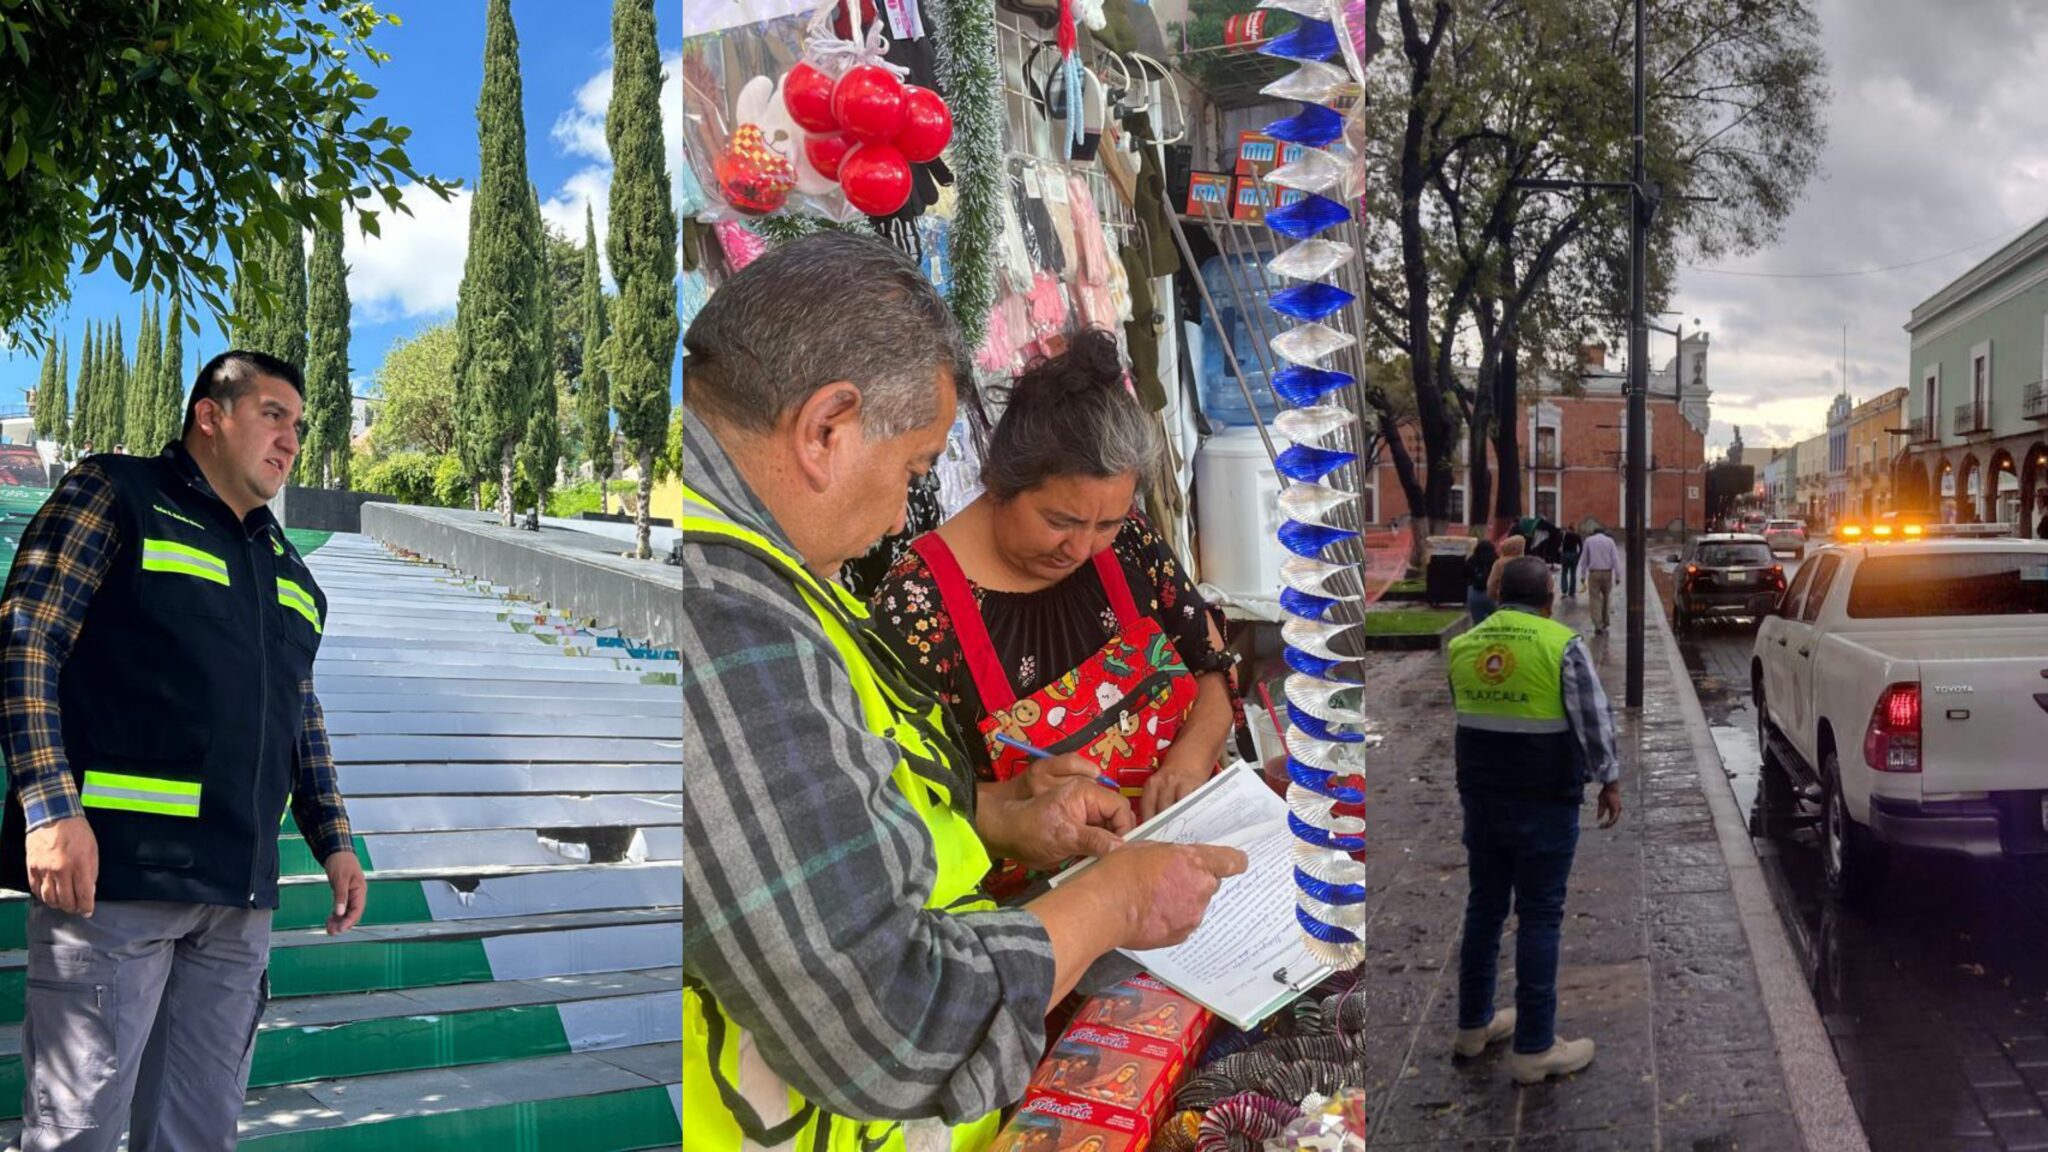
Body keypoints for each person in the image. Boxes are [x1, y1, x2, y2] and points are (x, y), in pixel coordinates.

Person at [680, 233, 1246, 1152]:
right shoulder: (730, 613)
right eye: (911, 473)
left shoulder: (774, 574)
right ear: (827, 428)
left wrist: (999, 810)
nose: (905, 511)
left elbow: (850, 802)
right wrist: (1111, 902)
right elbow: (890, 1022)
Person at [0, 351, 366, 1151]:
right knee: (76, 1135)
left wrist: (334, 839)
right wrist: (51, 806)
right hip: (115, 882)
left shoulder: (293, 574)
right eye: (273, 414)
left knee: (198, 1135)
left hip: (236, 900)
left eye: (299, 425)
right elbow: (28, 638)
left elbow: (300, 712)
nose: (291, 439)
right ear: (211, 414)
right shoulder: (117, 493)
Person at [871, 329, 1240, 839]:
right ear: (1000, 481)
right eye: (1060, 521)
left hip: (1190, 841)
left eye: (1104, 524)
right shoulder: (918, 604)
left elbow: (1213, 668)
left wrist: (1190, 760)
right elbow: (908, 804)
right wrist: (1014, 801)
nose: (1082, 549)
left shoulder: (1129, 537)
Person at [1446, 558, 1623, 1085]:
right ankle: (1535, 1047)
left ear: (1499, 594)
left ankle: (1472, 1027)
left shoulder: (1464, 646)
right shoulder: (1560, 643)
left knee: (1484, 907)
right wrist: (1608, 779)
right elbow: (1592, 719)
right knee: (1541, 916)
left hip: (1481, 798)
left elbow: (1468, 714)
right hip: (1543, 799)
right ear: (1549, 597)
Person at [1577, 525, 1621, 633]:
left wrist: (1582, 575)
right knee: (1607, 597)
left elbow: (1584, 559)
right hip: (1607, 573)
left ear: (1593, 532)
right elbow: (1615, 558)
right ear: (1604, 532)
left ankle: (1597, 624)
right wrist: (1618, 575)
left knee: (1594, 598)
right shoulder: (1610, 541)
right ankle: (1606, 621)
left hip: (1594, 573)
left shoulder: (1589, 540)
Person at [1485, 533, 1527, 606]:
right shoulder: (1526, 562)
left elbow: (1491, 585)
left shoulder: (1499, 563)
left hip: (1505, 600)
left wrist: (1497, 597)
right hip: (1524, 601)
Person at [1465, 538, 1500, 624]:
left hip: (1474, 592)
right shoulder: (1495, 560)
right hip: (1491, 593)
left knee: (1478, 623)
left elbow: (1464, 573)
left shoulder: (1472, 559)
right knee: (1497, 621)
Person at [1559, 528, 1583, 599]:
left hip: (1565, 555)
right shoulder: (1577, 535)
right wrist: (1578, 555)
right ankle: (1572, 592)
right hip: (1574, 555)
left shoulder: (1564, 535)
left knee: (1564, 573)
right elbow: (1581, 547)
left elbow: (1559, 544)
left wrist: (1561, 554)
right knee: (1573, 573)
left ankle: (1564, 590)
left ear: (1568, 529)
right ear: (1574, 529)